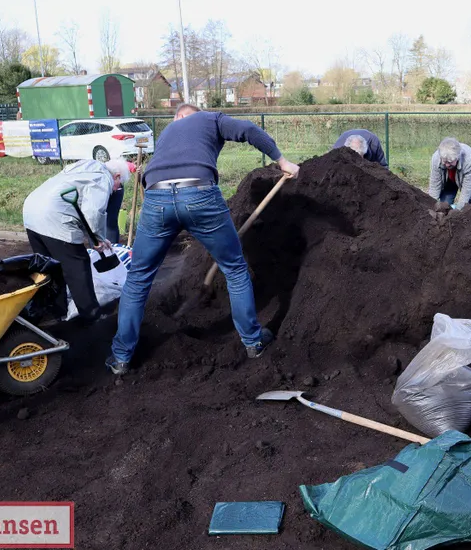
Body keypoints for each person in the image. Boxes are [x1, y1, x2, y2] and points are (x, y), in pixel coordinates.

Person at [105, 104, 300, 375]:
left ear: (179, 116)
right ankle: (253, 341)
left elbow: (151, 176)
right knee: (234, 268)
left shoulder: (167, 132)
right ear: (195, 114)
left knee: (138, 278)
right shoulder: (211, 118)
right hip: (199, 194)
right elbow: (248, 130)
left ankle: (120, 358)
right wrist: (282, 160)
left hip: (156, 198)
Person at [23, 158, 134, 321]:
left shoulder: (86, 166)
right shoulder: (103, 178)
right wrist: (97, 238)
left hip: (32, 213)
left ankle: (55, 313)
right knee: (78, 266)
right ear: (116, 176)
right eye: (118, 186)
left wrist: (98, 238)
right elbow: (93, 212)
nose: (116, 190)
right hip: (54, 218)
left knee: (50, 268)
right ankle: (91, 316)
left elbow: (83, 212)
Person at [428, 137, 471, 209]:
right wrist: (430, 205)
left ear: (457, 157)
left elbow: (467, 189)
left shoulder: (469, 161)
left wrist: (458, 210)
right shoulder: (436, 158)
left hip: (470, 178)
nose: (447, 165)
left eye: (450, 162)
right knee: (444, 206)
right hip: (449, 178)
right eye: (445, 161)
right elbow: (434, 185)